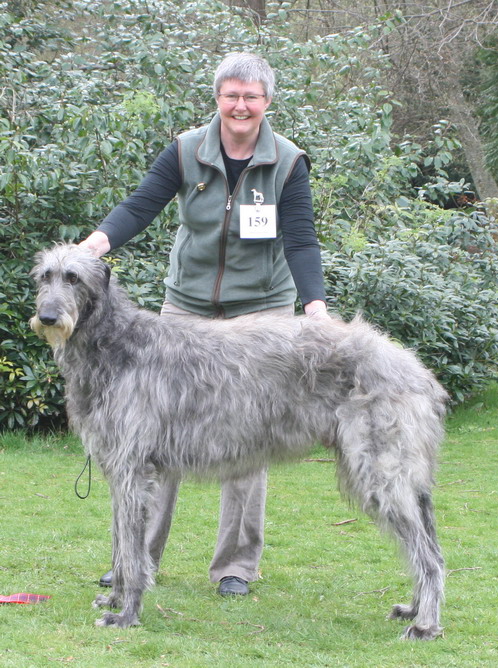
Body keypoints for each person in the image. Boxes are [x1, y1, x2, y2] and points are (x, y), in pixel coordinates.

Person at [80, 52, 328, 597]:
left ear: (267, 101)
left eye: (251, 96)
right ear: (217, 98)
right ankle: (136, 559)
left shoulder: (287, 162)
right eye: (231, 94)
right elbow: (140, 206)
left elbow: (301, 239)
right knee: (151, 433)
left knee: (248, 435)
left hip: (261, 312)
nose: (240, 105)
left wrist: (316, 310)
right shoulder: (186, 150)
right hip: (186, 309)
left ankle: (236, 566)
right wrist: (92, 247)